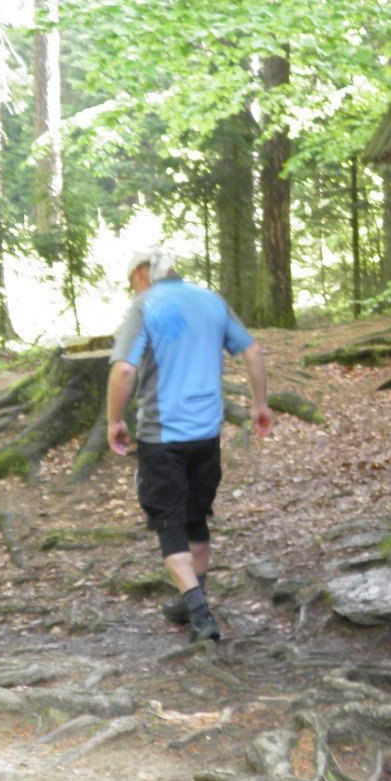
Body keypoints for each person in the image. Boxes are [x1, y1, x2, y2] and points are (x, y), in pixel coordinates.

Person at [107, 248, 273, 642]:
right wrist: (259, 404)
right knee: (195, 517)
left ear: (143, 274)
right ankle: (190, 599)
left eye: (132, 280)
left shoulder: (145, 306)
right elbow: (252, 351)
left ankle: (200, 616)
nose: (133, 289)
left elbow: (125, 368)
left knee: (169, 522)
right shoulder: (211, 301)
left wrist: (114, 419)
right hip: (206, 434)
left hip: (162, 437)